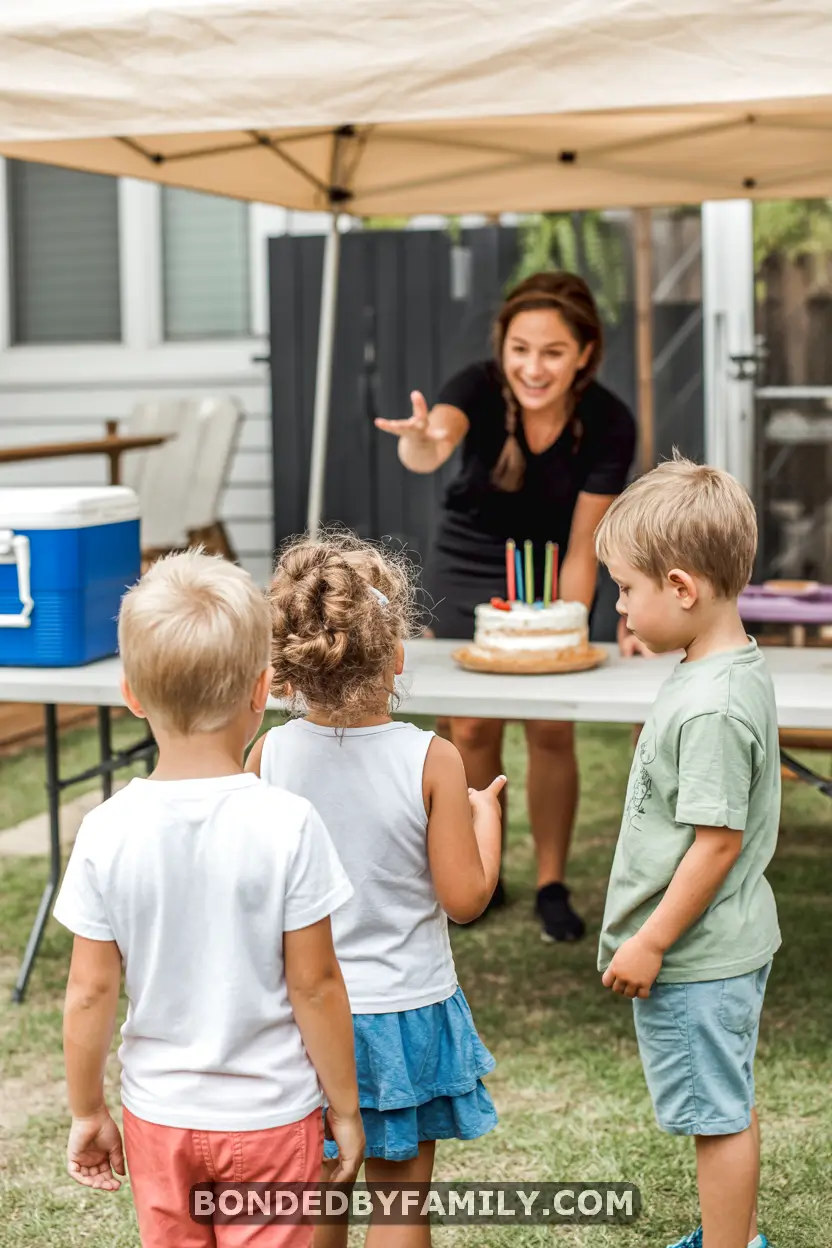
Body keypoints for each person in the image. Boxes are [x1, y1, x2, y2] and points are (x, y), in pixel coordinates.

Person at [54, 551, 364, 1248]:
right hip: (270, 1115)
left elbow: (89, 992)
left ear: (132, 695)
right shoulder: (290, 824)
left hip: (159, 1116)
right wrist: (345, 1106)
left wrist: (87, 1110)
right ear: (262, 690)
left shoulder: (105, 830)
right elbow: (315, 984)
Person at [247, 531, 504, 1248]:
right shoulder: (433, 759)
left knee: (319, 1198)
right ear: (395, 656)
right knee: (399, 1208)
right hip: (404, 1013)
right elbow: (466, 899)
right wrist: (486, 821)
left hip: (301, 1017)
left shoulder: (269, 753)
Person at [376, 270, 648, 943]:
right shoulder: (475, 386)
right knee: (469, 728)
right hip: (468, 564)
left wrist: (562, 633)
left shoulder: (609, 421)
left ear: (585, 353)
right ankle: (476, 872)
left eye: (553, 352)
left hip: (554, 568)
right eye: (520, 349)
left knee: (551, 729)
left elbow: (585, 545)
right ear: (502, 347)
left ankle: (552, 883)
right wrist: (420, 438)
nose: (533, 367)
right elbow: (433, 442)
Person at [595, 455, 780, 1248]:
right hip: (717, 946)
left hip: (697, 956)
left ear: (680, 588)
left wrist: (650, 940)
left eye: (625, 589)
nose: (619, 606)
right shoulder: (721, 668)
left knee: (716, 1118)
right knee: (724, 1100)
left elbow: (716, 845)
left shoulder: (712, 706)